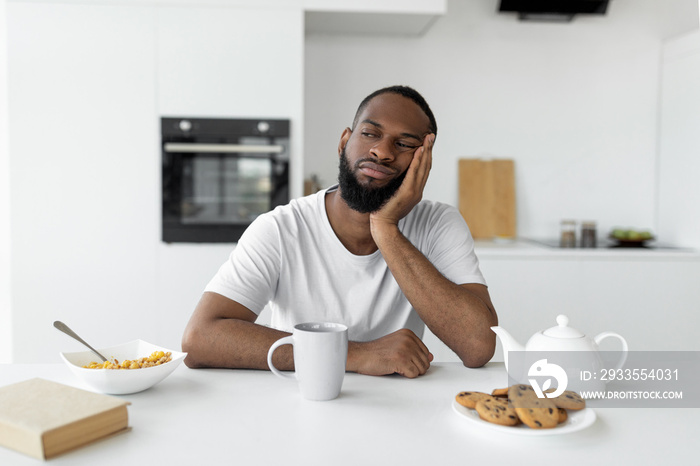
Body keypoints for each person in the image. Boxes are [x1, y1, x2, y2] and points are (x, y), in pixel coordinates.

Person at [182, 85, 498, 378]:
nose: (382, 151)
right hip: (301, 399)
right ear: (344, 141)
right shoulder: (280, 228)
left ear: (423, 161)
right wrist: (352, 355)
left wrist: (385, 228)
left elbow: (477, 346)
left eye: (403, 144)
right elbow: (199, 339)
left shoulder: (438, 224)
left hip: (399, 412)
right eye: (370, 133)